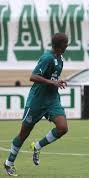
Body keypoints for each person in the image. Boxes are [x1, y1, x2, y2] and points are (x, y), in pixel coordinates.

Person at [4, 33, 69, 176]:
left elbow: (52, 77)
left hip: (52, 100)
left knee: (63, 128)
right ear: (60, 45)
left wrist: (58, 81)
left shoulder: (60, 58)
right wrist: (53, 82)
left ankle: (37, 146)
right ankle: (9, 163)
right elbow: (33, 76)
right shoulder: (47, 58)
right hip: (37, 102)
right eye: (66, 43)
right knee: (23, 134)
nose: (67, 45)